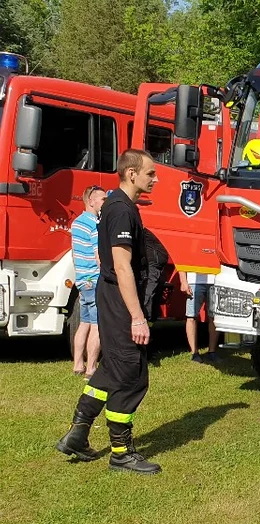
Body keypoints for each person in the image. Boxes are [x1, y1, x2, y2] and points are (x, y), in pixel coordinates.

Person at [55, 149, 162, 474]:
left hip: (113, 296)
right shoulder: (120, 210)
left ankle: (78, 433)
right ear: (132, 174)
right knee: (130, 375)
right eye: (150, 173)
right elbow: (120, 265)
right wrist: (137, 317)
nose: (156, 179)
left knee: (111, 369)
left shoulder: (120, 206)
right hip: (119, 299)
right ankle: (121, 452)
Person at [70, 185, 107, 378]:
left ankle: (77, 364)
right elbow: (98, 255)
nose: (104, 203)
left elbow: (75, 255)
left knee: (83, 323)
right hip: (94, 280)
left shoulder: (76, 223)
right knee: (97, 324)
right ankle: (91, 368)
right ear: (90, 201)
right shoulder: (95, 225)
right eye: (102, 199)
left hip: (82, 281)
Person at [179, 270, 219, 362]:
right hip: (193, 281)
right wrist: (183, 281)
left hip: (215, 281)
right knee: (191, 317)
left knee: (214, 317)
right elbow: (181, 260)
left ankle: (212, 352)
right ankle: (194, 353)